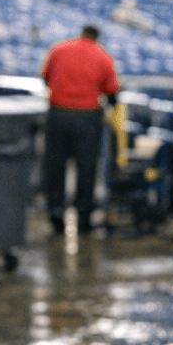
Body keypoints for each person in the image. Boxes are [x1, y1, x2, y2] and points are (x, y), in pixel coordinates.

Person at [40, 24, 120, 235]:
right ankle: (83, 218)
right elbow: (111, 91)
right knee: (86, 167)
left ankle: (56, 212)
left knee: (55, 164)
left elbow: (46, 76)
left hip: (58, 113)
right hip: (87, 117)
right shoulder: (103, 56)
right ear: (96, 37)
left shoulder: (59, 49)